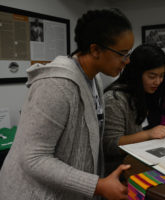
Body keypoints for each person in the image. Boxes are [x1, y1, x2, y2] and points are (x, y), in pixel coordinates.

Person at [0, 8, 134, 200]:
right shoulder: (55, 84)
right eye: (122, 54)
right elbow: (33, 158)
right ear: (95, 50)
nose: (127, 61)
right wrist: (97, 185)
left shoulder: (94, 79)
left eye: (129, 53)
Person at [103, 44, 165, 175]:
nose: (158, 82)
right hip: (121, 173)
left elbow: (157, 128)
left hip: (148, 165)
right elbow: (111, 145)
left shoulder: (149, 92)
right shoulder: (115, 99)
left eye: (162, 75)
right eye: (152, 76)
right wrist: (147, 135)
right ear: (136, 73)